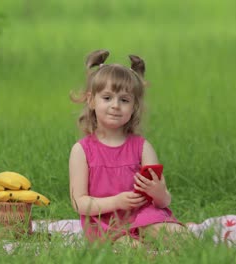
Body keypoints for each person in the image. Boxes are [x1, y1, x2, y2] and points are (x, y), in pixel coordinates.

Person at [69, 49, 185, 246]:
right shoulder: (82, 151)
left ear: (133, 107)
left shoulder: (142, 147)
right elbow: (79, 203)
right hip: (105, 222)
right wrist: (117, 202)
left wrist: (159, 193)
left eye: (124, 100)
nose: (115, 105)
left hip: (143, 216)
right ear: (91, 100)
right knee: (130, 250)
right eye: (107, 98)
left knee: (179, 236)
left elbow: (164, 201)